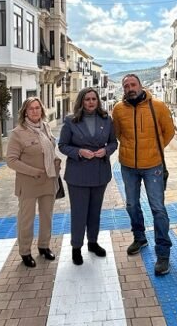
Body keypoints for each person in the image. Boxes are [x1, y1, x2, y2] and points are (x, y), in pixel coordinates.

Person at [112, 74, 175, 275]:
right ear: (123, 89)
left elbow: (169, 131)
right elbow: (118, 133)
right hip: (128, 166)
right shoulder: (118, 109)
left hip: (153, 166)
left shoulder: (158, 106)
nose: (130, 88)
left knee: (158, 208)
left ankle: (163, 253)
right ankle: (139, 237)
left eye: (133, 84)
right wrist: (131, 149)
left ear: (140, 86)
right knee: (131, 204)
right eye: (126, 85)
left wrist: (153, 150)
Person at [58, 88, 118, 265]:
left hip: (100, 173)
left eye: (94, 99)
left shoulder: (107, 120)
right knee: (79, 213)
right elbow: (62, 145)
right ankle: (76, 248)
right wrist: (79, 152)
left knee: (95, 212)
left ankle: (93, 243)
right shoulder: (70, 121)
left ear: (98, 101)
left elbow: (114, 142)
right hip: (78, 175)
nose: (91, 102)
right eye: (87, 99)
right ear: (81, 102)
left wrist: (105, 150)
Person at [6, 96, 61, 268]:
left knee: (47, 217)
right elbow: (11, 160)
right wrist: (33, 171)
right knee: (26, 220)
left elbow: (49, 149)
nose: (35, 111)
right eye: (31, 108)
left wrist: (56, 161)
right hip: (29, 183)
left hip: (48, 180)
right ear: (25, 112)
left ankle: (44, 246)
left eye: (37, 108)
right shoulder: (17, 133)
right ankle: (25, 252)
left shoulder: (45, 127)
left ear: (41, 110)